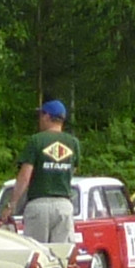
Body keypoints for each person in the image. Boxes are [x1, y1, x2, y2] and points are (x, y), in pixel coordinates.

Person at [18, 101, 82, 253]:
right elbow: (74, 170)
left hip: (39, 204)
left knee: (37, 255)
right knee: (61, 255)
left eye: (41, 115)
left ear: (47, 116)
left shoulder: (36, 140)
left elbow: (25, 177)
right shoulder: (73, 143)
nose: (39, 119)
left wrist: (12, 205)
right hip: (64, 205)